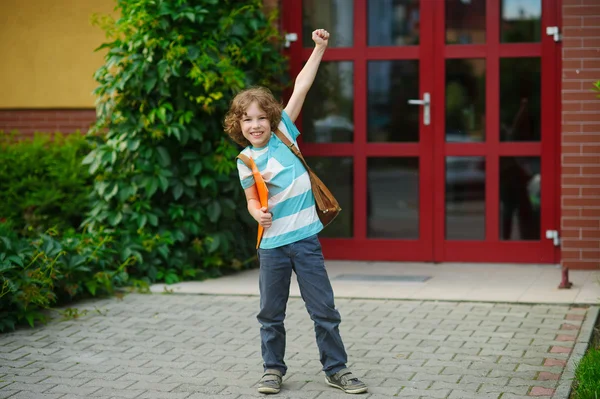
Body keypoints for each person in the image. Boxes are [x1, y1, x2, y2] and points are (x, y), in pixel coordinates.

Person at [223, 29, 368, 395]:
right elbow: (251, 200)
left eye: (260, 118)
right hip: (272, 247)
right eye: (246, 121)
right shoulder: (245, 160)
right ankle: (272, 369)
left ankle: (336, 369)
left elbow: (301, 86)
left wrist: (319, 48)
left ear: (272, 118)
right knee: (270, 314)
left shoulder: (285, 134)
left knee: (324, 310)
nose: (255, 125)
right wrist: (257, 213)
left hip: (304, 241)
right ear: (238, 126)